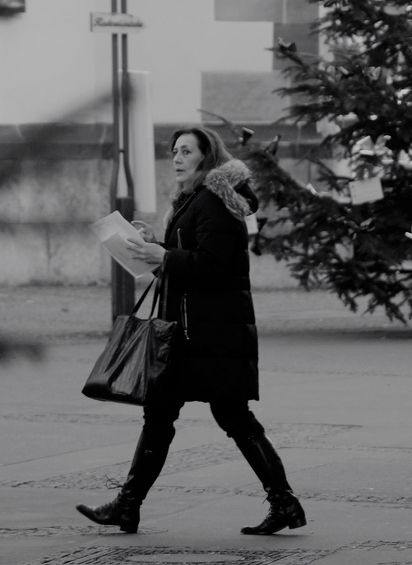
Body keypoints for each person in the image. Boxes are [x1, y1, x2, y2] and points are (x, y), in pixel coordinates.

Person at [76, 125, 306, 537]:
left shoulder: (213, 202)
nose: (177, 157)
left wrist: (164, 255)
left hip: (209, 333)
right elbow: (192, 253)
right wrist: (155, 243)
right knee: (164, 414)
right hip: (188, 330)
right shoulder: (194, 201)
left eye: (186, 151)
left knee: (230, 416)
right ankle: (128, 506)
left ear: (207, 157)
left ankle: (283, 501)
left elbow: (214, 266)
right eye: (174, 151)